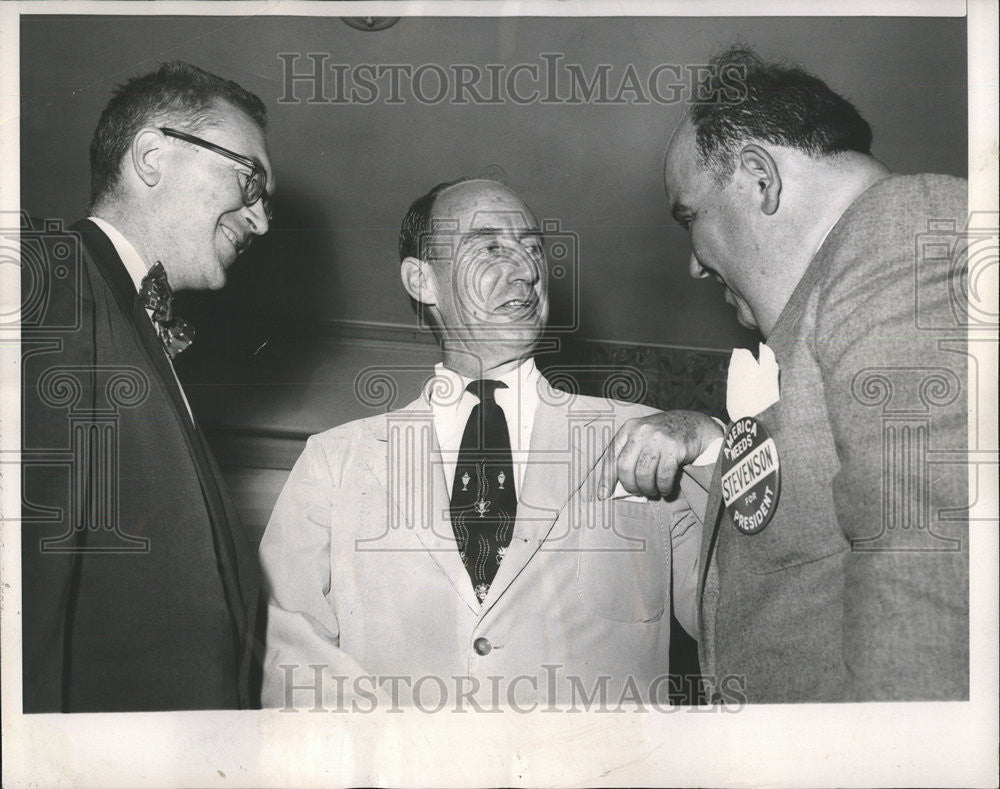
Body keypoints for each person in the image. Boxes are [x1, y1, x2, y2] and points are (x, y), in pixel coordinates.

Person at [599, 46, 968, 702]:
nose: (694, 263)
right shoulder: (824, 317)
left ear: (759, 178)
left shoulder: (899, 227)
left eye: (692, 218)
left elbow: (926, 558)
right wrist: (706, 439)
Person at [258, 179, 709, 709]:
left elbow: (744, 612)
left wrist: (711, 444)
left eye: (534, 248)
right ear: (422, 279)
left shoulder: (648, 437)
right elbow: (288, 659)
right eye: (491, 246)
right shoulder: (334, 462)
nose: (527, 269)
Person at [21, 61, 275, 712]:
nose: (263, 221)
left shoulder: (130, 326)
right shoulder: (43, 275)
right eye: (249, 179)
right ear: (152, 156)